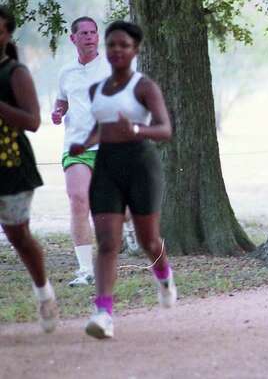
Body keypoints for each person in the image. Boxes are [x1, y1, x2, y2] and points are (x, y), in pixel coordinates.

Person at [72, 21, 174, 339]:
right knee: (107, 242)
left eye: (124, 45)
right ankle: (103, 313)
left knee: (149, 240)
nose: (116, 50)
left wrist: (137, 130)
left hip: (141, 165)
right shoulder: (95, 90)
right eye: (112, 44)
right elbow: (101, 127)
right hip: (106, 166)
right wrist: (84, 144)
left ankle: (164, 274)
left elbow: (164, 130)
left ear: (135, 50)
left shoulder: (144, 87)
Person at [0, 6, 58, 333]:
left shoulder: (15, 73)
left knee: (18, 236)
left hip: (12, 167)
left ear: (7, 34)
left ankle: (44, 293)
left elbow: (33, 121)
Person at [52, 17, 109, 287]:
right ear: (73, 38)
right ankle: (85, 270)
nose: (89, 37)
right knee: (78, 201)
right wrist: (58, 111)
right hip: (76, 146)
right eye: (83, 33)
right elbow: (62, 98)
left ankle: (132, 231)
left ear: (98, 37)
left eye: (93, 32)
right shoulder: (66, 72)